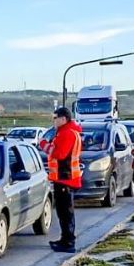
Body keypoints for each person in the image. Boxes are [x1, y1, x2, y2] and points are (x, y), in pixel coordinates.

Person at [46, 106, 82, 253]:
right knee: (63, 213)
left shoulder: (67, 133)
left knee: (66, 213)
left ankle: (68, 243)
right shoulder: (67, 132)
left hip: (65, 178)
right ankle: (65, 239)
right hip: (64, 178)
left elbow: (59, 154)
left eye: (55, 118)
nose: (53, 120)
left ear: (63, 119)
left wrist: (44, 145)